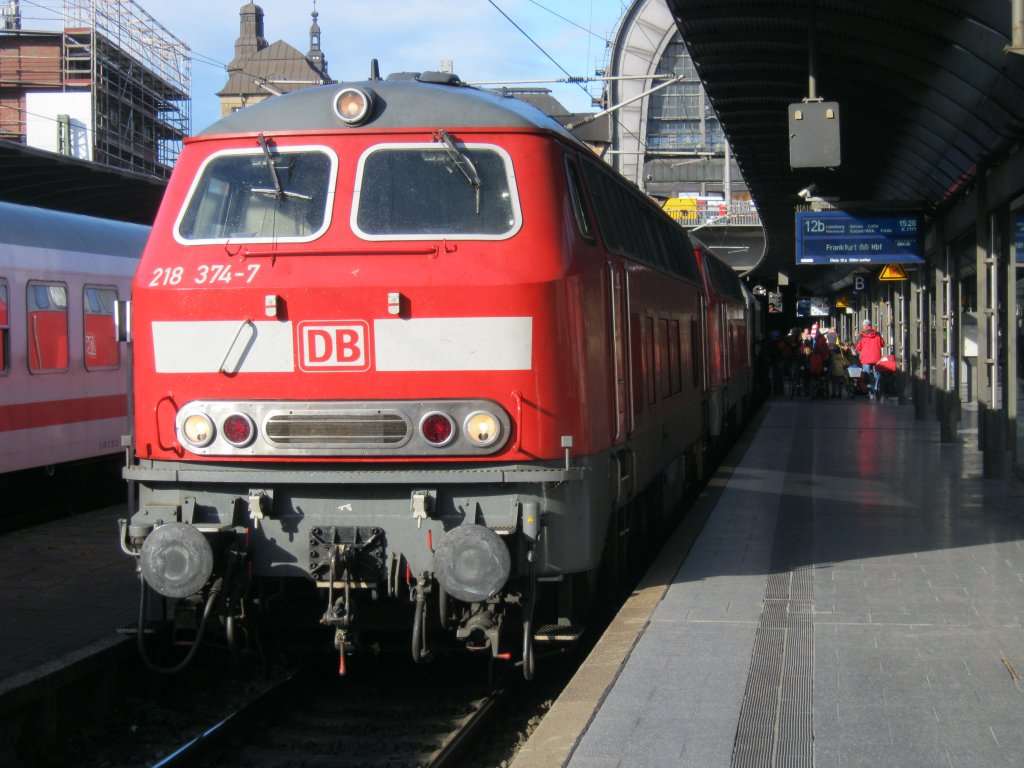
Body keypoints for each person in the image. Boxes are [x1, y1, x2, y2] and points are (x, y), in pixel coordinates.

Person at [854, 319, 886, 398]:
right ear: (870, 326)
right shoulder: (877, 334)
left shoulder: (861, 335)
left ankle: (870, 393)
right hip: (876, 358)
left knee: (866, 375)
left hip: (866, 359)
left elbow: (857, 347)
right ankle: (877, 388)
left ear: (864, 326)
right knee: (877, 374)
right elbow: (882, 343)